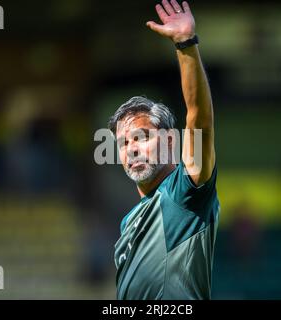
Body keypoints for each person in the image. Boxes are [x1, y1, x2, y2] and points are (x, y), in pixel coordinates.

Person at [107, 0, 220, 300]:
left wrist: (186, 43)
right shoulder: (128, 221)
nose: (131, 149)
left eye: (141, 137)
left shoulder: (185, 194)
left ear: (171, 141)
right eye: (123, 143)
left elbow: (200, 119)